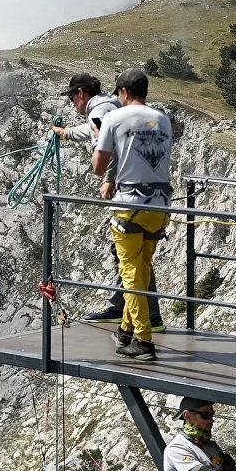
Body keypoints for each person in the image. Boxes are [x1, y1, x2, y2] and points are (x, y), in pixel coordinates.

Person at [51, 73, 165, 333]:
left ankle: (146, 323)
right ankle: (125, 309)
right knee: (133, 258)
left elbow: (106, 146)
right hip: (155, 197)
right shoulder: (106, 107)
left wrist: (108, 178)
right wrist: (65, 133)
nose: (71, 103)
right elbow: (94, 130)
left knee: (130, 259)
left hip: (129, 195)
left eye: (71, 96)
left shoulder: (101, 109)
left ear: (81, 93)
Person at [93, 67, 173, 361]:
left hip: (129, 204)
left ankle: (143, 339)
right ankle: (126, 330)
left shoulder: (114, 118)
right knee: (141, 268)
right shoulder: (163, 119)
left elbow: (99, 167)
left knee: (130, 274)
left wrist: (98, 138)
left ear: (124, 92)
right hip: (160, 204)